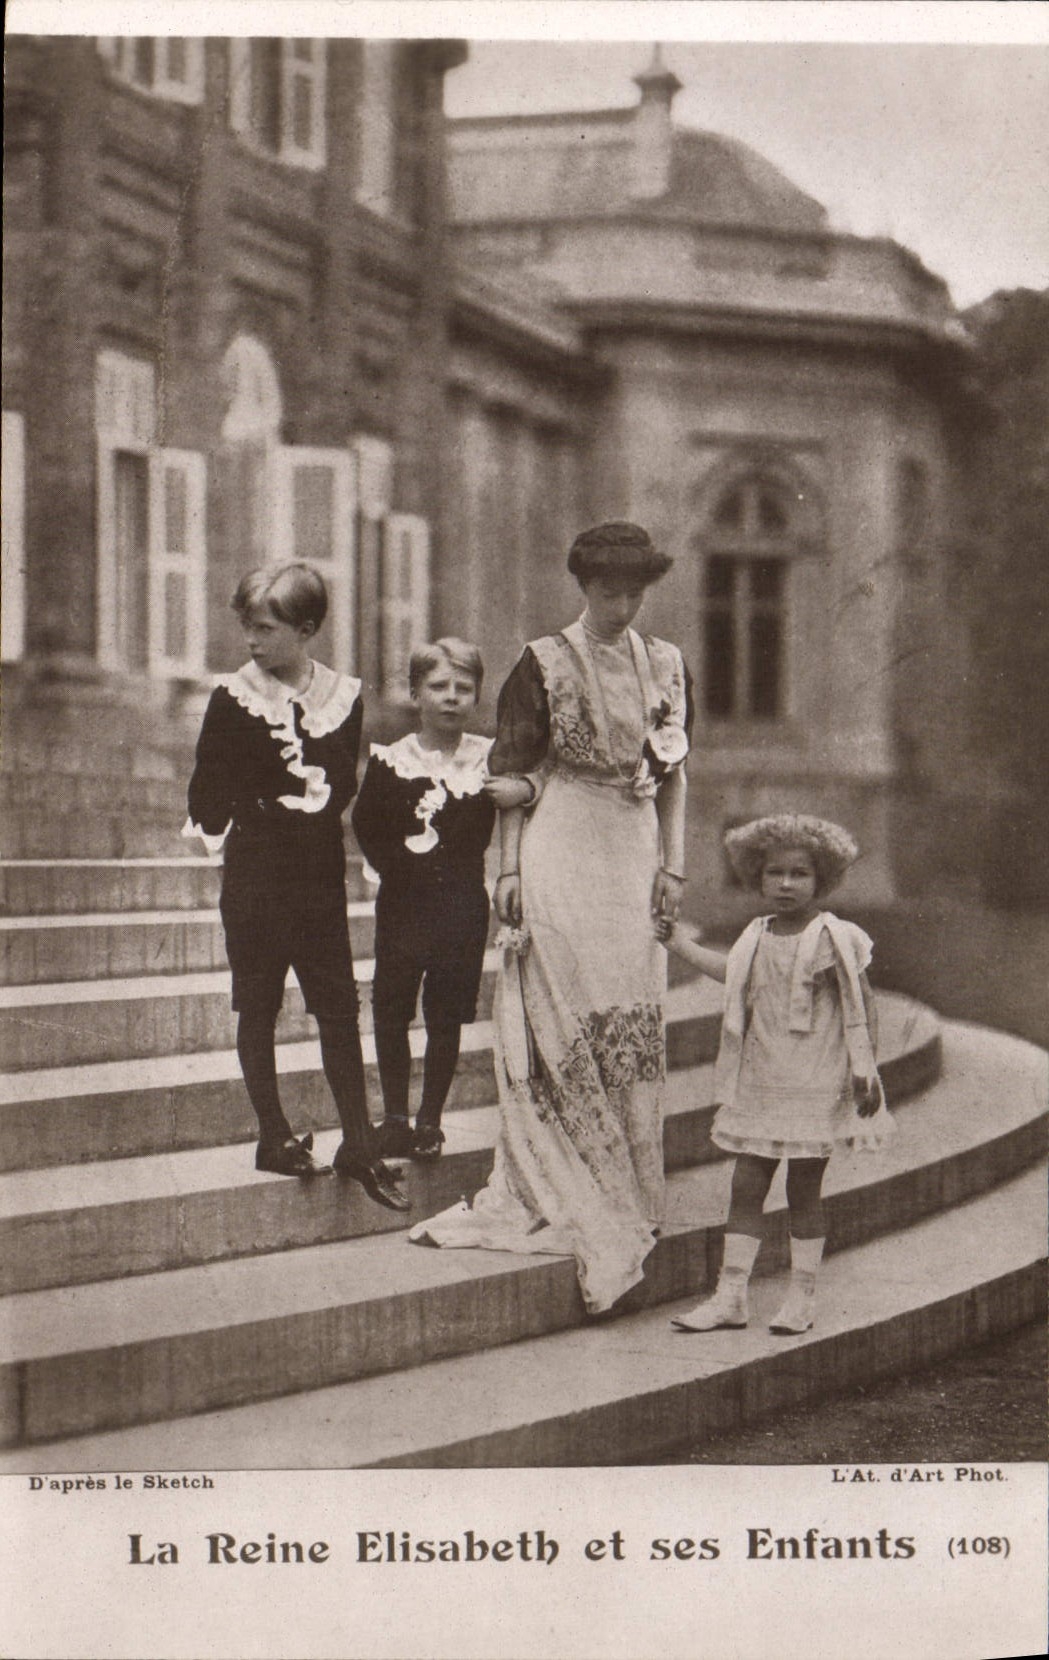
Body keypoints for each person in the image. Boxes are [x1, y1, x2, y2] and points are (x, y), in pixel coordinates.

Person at [409, 522, 693, 1314]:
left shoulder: (665, 664)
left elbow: (673, 776)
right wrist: (504, 868)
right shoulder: (543, 661)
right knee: (562, 1004)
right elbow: (513, 771)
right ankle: (560, 1176)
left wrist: (672, 867)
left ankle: (626, 1185)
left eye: (635, 591)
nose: (622, 605)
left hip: (631, 850)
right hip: (560, 841)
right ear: (583, 586)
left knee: (626, 1012)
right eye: (609, 591)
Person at [184, 561, 408, 1211]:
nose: (251, 641)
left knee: (337, 1005)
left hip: (316, 871)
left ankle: (358, 1142)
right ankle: (272, 1134)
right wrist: (252, 800)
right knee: (258, 1003)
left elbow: (343, 782)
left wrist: (308, 776)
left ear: (305, 630)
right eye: (246, 627)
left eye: (265, 628)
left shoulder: (343, 694)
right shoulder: (233, 696)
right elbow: (206, 792)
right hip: (256, 870)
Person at [658, 813, 894, 1336]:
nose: (785, 884)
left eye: (799, 874)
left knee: (804, 1190)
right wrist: (676, 944)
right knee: (746, 1185)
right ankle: (731, 1296)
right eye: (774, 873)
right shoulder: (756, 934)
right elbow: (733, 974)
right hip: (762, 1078)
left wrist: (865, 1067)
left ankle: (801, 1297)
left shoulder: (836, 935)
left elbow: (861, 1003)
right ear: (756, 878)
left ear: (822, 880)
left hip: (815, 1080)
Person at [351, 639, 531, 1160]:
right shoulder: (392, 759)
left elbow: (515, 807)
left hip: (460, 906)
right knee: (392, 1005)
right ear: (414, 693)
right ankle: (395, 1117)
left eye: (463, 688)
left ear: (476, 695)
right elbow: (367, 824)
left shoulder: (487, 757)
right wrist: (399, 867)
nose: (451, 697)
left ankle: (430, 1119)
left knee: (446, 1012)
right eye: (438, 686)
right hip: (404, 904)